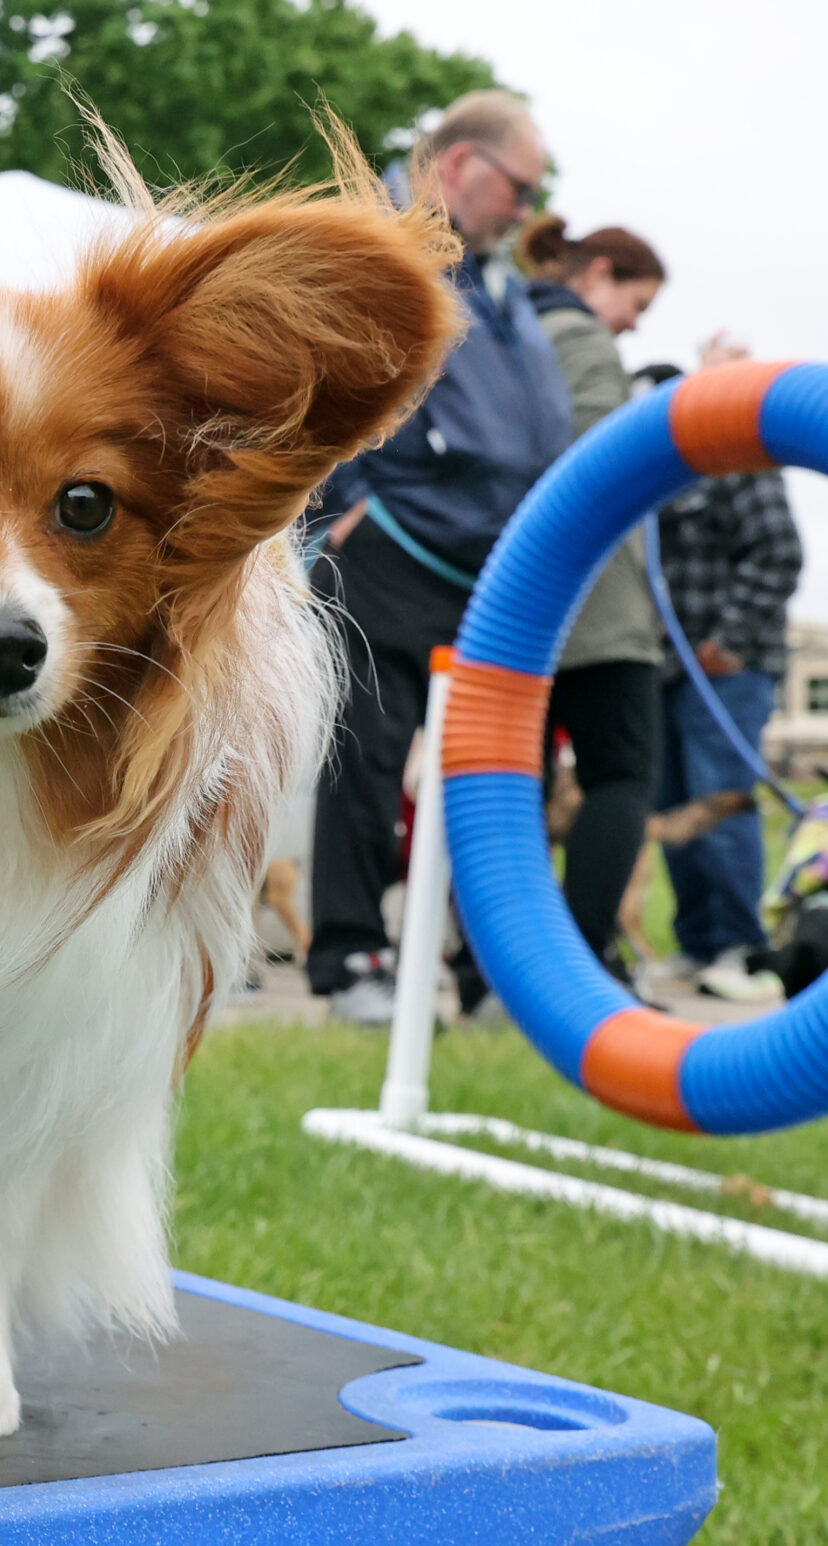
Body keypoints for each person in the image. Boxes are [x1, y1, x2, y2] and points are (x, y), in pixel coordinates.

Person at [303, 89, 576, 1024]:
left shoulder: (500, 279)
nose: (527, 209)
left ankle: (493, 973)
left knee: (504, 772)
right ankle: (349, 960)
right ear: (460, 167)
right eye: (520, 187)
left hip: (499, 569)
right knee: (368, 760)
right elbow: (316, 379)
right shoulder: (380, 249)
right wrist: (344, 508)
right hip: (392, 547)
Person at [517, 215, 667, 982]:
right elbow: (601, 460)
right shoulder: (582, 341)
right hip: (595, 605)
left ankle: (497, 965)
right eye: (635, 304)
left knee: (512, 783)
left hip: (519, 608)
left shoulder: (512, 324)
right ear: (599, 272)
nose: (634, 325)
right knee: (621, 776)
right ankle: (578, 965)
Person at [649, 341, 805, 1001]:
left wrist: (730, 641)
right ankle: (697, 944)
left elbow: (780, 551)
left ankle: (741, 947)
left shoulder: (739, 456)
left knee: (724, 798)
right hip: (667, 667)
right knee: (675, 807)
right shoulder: (663, 467)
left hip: (728, 670)